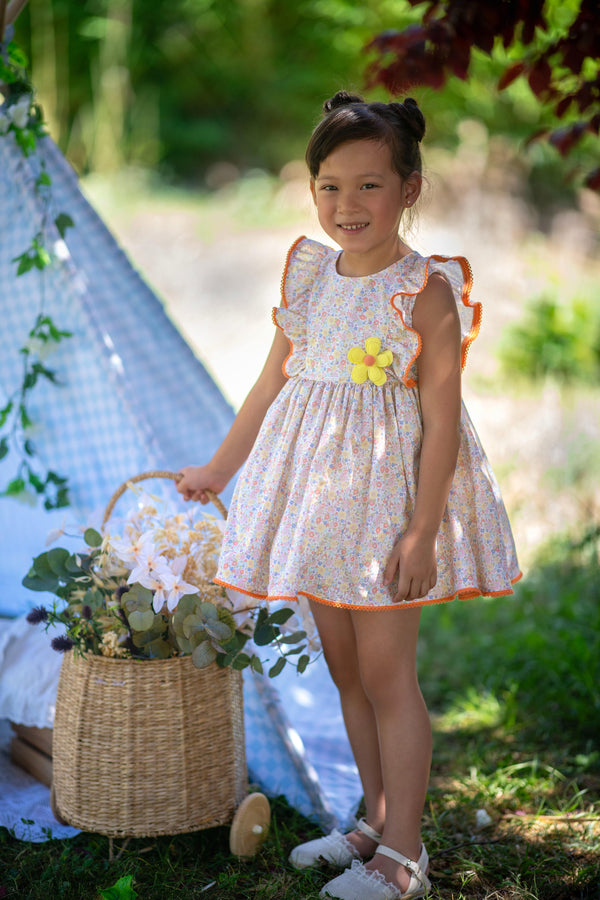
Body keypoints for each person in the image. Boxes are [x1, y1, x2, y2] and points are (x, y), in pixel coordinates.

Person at [177, 91, 520, 900]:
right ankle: (375, 817)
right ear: (311, 189)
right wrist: (219, 470)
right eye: (330, 185)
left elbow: (442, 421)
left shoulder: (424, 290)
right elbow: (270, 384)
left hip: (387, 512)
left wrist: (421, 532)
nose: (347, 204)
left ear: (409, 188)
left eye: (369, 185)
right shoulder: (309, 274)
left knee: (388, 676)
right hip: (319, 505)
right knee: (347, 672)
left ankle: (405, 856)